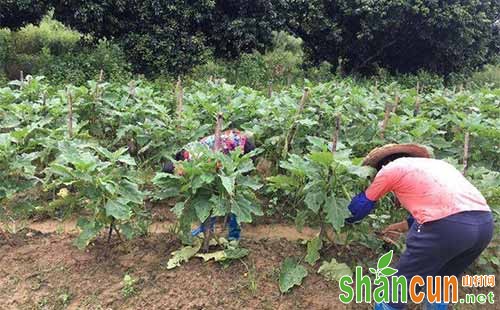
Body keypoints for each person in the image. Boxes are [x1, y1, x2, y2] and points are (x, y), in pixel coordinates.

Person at [345, 144, 493, 310]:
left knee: (396, 289)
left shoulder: (389, 170)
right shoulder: (440, 166)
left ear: (380, 166)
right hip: (484, 225)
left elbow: (362, 205)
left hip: (445, 228)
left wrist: (345, 221)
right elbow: (448, 204)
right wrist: (403, 225)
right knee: (440, 281)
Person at [162, 129, 256, 241]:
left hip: (241, 148)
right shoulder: (187, 155)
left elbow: (212, 171)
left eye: (176, 174)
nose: (179, 176)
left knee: (232, 193)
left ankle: (233, 235)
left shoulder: (193, 157)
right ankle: (206, 228)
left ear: (177, 166)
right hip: (229, 148)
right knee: (211, 194)